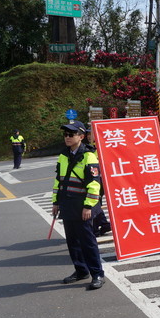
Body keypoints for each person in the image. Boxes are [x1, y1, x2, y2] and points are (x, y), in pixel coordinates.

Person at [52, 121, 105, 290]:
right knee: (72, 242)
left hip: (83, 206)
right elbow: (59, 181)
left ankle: (97, 274)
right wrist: (56, 202)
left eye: (71, 134)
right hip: (67, 205)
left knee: (88, 242)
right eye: (65, 134)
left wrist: (88, 206)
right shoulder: (63, 155)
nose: (67, 137)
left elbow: (94, 184)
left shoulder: (89, 156)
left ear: (81, 137)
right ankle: (81, 270)